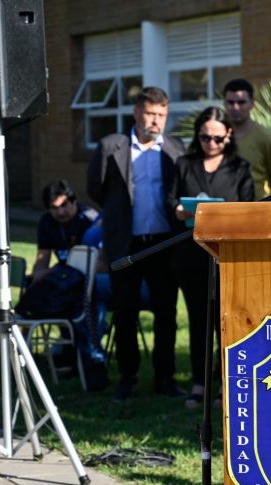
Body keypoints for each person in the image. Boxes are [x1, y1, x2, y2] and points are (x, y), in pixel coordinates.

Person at [87, 86, 186, 403]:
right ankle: (127, 379)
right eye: (150, 113)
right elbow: (97, 190)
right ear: (136, 113)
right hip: (125, 246)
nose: (156, 121)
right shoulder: (110, 146)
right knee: (125, 314)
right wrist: (117, 220)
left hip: (164, 245)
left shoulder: (174, 149)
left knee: (166, 314)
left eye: (161, 115)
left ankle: (165, 379)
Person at [168, 106, 254, 408]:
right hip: (191, 255)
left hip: (227, 257)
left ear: (228, 135)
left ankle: (225, 386)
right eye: (205, 137)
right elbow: (171, 200)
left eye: (217, 138)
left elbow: (248, 210)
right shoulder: (184, 164)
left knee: (226, 322)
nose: (211, 144)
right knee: (198, 320)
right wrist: (179, 211)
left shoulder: (240, 168)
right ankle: (199, 384)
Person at [26, 179, 107, 391]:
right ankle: (62, 356)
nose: (60, 212)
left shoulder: (90, 220)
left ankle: (90, 360)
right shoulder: (47, 223)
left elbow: (101, 264)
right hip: (66, 283)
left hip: (95, 281)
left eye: (64, 206)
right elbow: (41, 263)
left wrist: (61, 272)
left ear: (74, 201)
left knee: (89, 298)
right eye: (54, 208)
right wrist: (44, 275)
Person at [222, 79, 271, 199]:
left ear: (252, 104)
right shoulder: (212, 136)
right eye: (230, 102)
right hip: (216, 210)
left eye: (241, 102)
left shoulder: (267, 138)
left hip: (251, 211)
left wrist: (264, 205)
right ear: (224, 104)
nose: (235, 107)